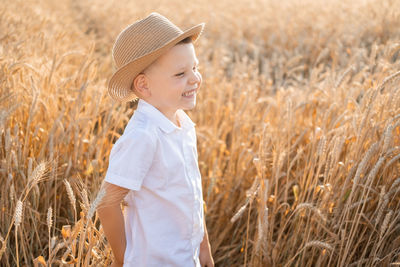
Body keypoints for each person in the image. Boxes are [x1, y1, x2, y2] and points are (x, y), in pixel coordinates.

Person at [97, 12, 214, 267]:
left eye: (194, 67)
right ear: (144, 86)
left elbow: (191, 194)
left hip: (186, 258)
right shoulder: (143, 136)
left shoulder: (183, 124)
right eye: (180, 73)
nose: (194, 78)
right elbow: (107, 202)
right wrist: (123, 259)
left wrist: (203, 248)